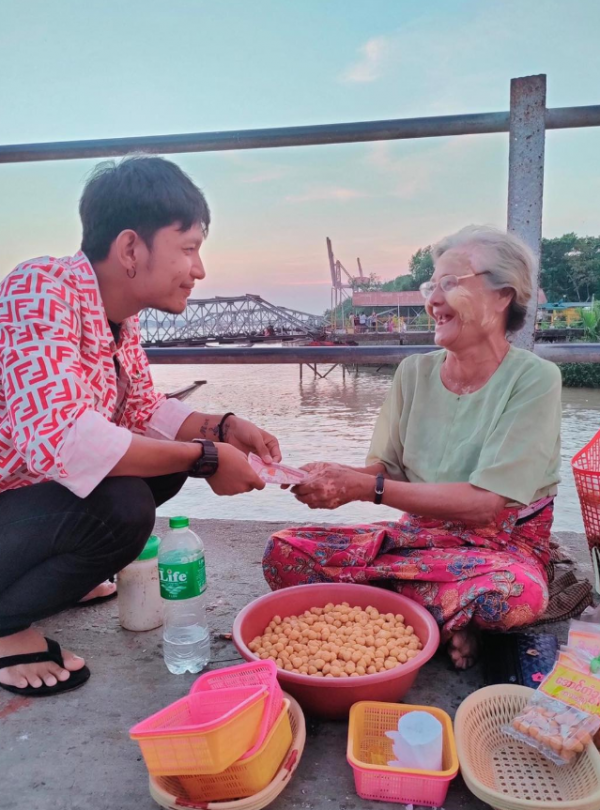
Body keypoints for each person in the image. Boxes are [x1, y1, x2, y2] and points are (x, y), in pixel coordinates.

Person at [0, 156, 280, 696]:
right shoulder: (38, 288)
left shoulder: (118, 321)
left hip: (23, 501)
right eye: (189, 248)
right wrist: (207, 458)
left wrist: (223, 428)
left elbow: (147, 414)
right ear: (131, 249)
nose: (198, 270)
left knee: (162, 472)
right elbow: (65, 439)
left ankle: (47, 577)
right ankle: (5, 627)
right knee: (123, 509)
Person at [263, 225, 561, 670]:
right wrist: (327, 476)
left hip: (500, 549)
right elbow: (387, 472)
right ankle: (441, 614)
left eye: (451, 284)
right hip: (420, 544)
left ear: (504, 295)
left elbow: (484, 506)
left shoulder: (534, 380)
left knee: (515, 594)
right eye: (431, 285)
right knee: (284, 552)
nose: (433, 300)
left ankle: (408, 608)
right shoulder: (412, 373)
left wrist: (363, 489)